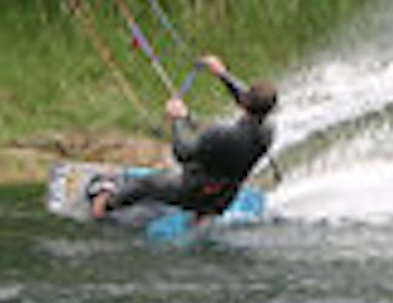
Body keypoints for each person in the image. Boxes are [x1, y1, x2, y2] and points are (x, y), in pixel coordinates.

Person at [88, 55, 277, 222]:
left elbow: (182, 153)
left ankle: (103, 205)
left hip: (190, 193)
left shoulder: (220, 135)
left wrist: (178, 120)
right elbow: (247, 98)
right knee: (217, 185)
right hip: (222, 200)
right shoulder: (268, 132)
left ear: (245, 103)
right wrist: (223, 74)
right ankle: (202, 218)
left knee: (146, 184)